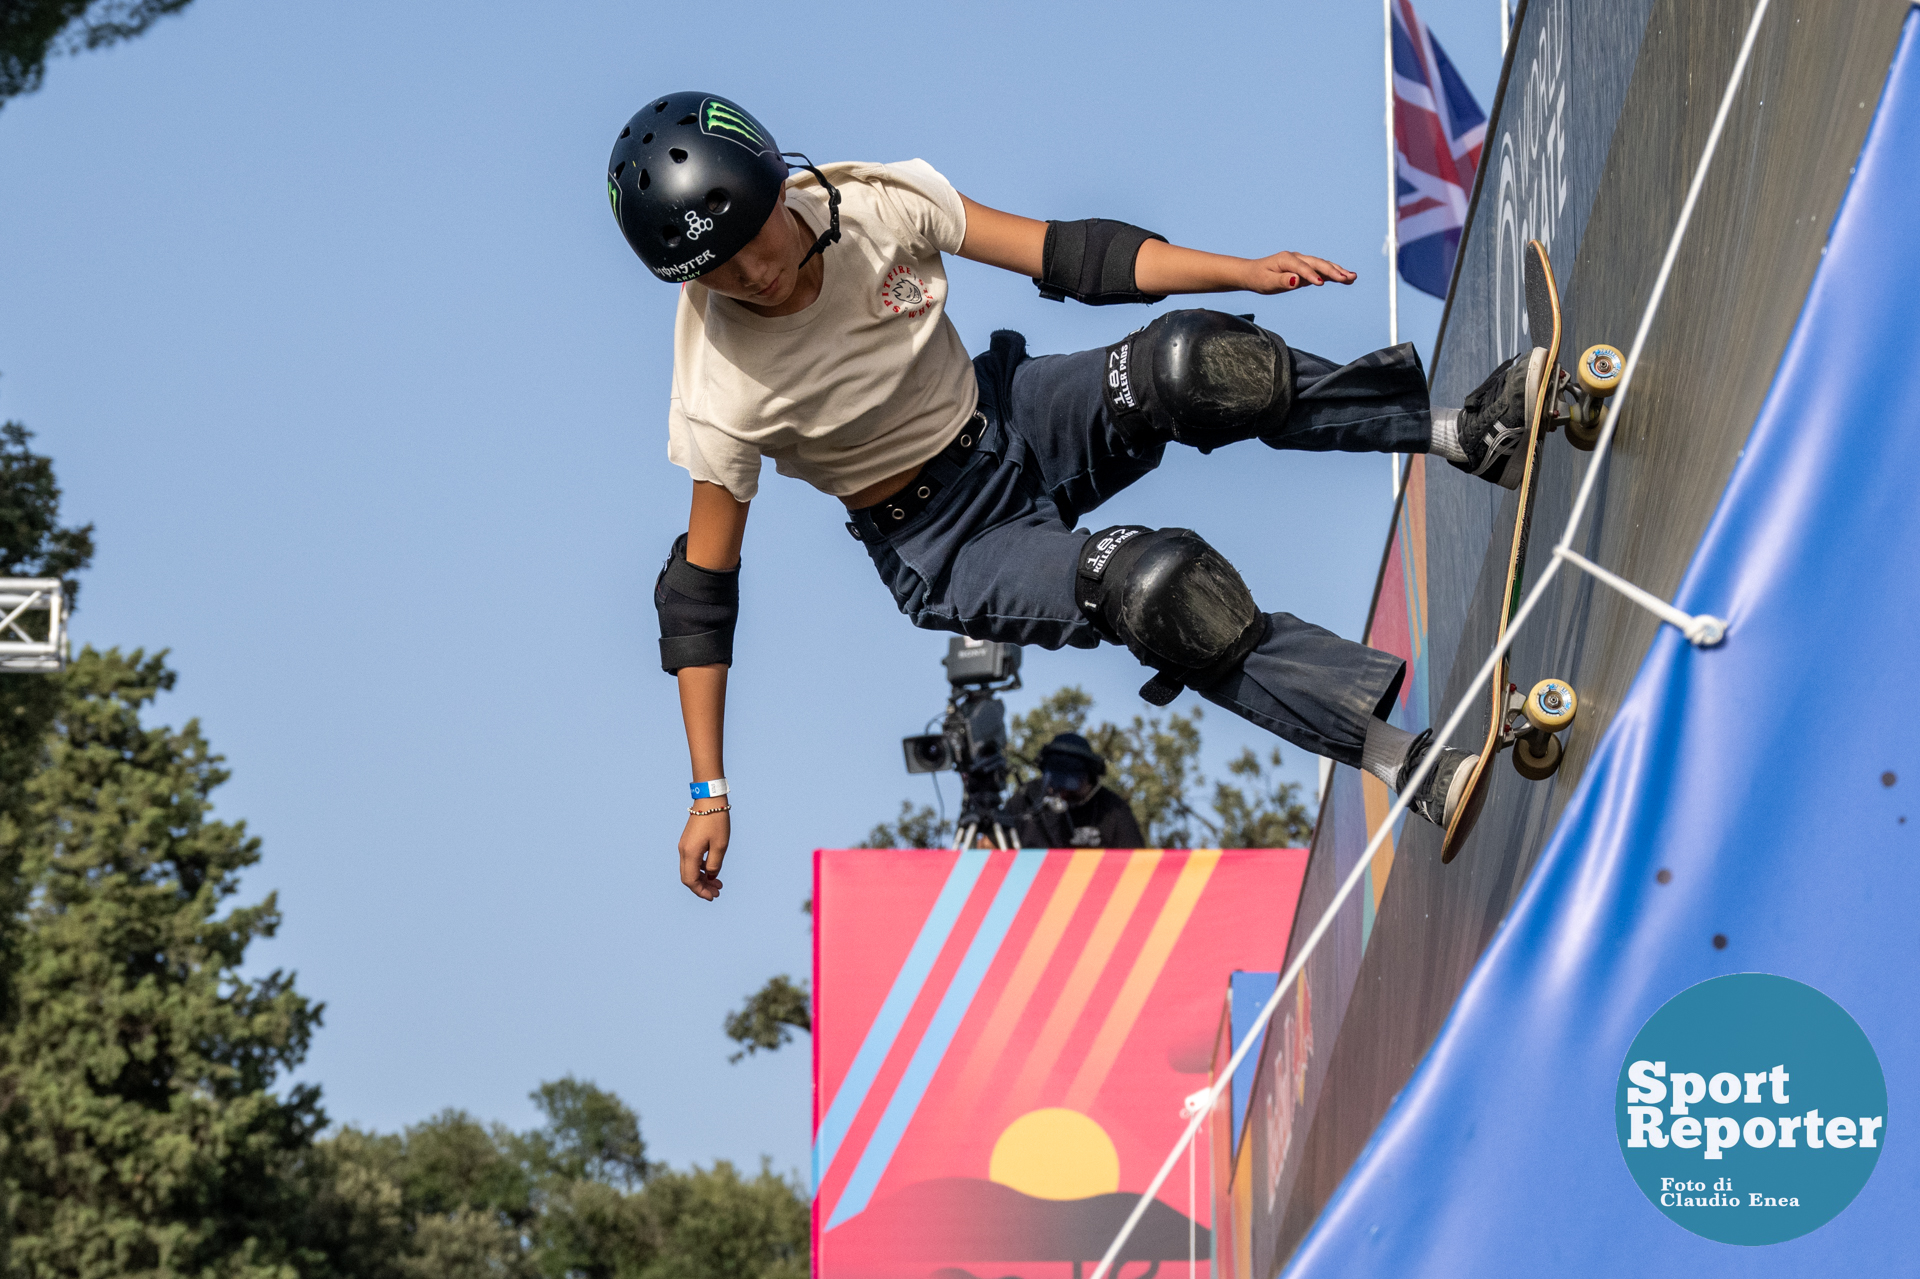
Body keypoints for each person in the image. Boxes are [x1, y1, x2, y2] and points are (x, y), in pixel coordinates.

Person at [610, 93, 1555, 900]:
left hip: (1009, 413)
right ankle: (1407, 762)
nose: (755, 276)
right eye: (718, 274)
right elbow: (700, 594)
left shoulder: (874, 205)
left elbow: (1069, 256)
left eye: (753, 241)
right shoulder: (720, 386)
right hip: (946, 540)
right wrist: (709, 788)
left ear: (782, 187)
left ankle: (1465, 435)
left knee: (1195, 362)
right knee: (1154, 586)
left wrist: (1237, 268)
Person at [1002, 733, 1145, 850]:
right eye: (1054, 780)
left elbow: (1136, 863)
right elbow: (991, 844)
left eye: (1070, 783)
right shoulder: (1028, 796)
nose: (1061, 791)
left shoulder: (1113, 810)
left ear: (1090, 777)